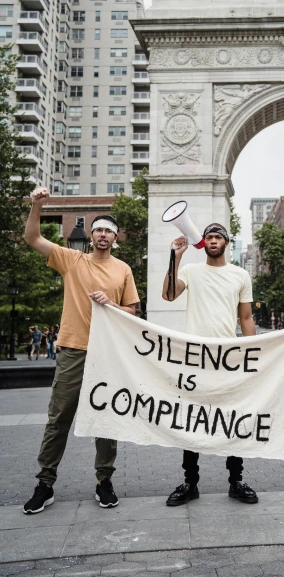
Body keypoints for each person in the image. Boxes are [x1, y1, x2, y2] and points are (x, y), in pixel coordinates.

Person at [22, 188, 140, 515]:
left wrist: (112, 304)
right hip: (73, 350)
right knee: (58, 418)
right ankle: (45, 484)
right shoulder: (71, 259)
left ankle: (104, 481)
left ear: (115, 237)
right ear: (91, 234)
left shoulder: (123, 270)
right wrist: (36, 205)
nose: (103, 235)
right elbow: (32, 237)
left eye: (108, 231)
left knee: (105, 420)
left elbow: (133, 312)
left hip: (108, 354)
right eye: (98, 229)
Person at [162, 222, 258, 507]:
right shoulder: (191, 271)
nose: (213, 240)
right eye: (208, 237)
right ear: (201, 242)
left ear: (226, 243)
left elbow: (247, 318)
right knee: (191, 420)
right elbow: (168, 294)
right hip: (196, 359)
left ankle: (235, 481)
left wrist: (254, 355)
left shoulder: (240, 275)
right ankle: (190, 482)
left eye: (218, 237)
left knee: (231, 419)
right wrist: (176, 256)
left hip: (227, 359)